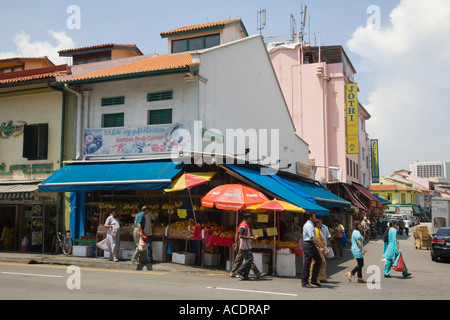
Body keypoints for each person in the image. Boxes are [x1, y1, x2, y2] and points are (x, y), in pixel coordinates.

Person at [302, 212, 325, 288]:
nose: (315, 218)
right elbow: (313, 238)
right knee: (307, 263)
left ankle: (314, 280)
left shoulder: (311, 225)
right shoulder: (309, 225)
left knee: (318, 260)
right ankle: (305, 282)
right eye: (314, 216)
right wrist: (320, 247)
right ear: (310, 217)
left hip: (311, 244)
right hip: (308, 244)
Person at [235, 213, 258, 280]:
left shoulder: (247, 226)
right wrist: (250, 238)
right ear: (247, 218)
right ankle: (239, 271)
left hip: (248, 245)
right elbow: (241, 236)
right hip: (244, 246)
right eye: (250, 218)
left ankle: (245, 275)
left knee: (249, 260)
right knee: (249, 259)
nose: (251, 220)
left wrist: (253, 237)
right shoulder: (243, 226)